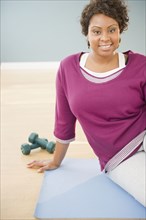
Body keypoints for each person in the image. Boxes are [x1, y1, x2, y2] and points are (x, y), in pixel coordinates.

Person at [27, 0, 146, 207]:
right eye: (97, 31)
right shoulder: (68, 68)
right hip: (118, 157)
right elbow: (64, 123)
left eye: (112, 30)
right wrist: (56, 161)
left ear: (120, 32)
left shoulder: (141, 65)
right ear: (87, 34)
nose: (105, 38)